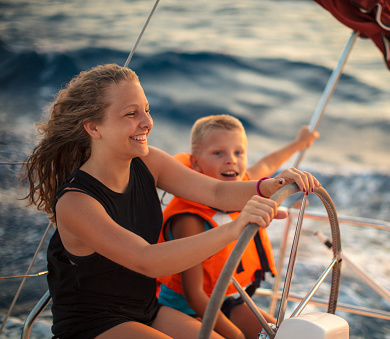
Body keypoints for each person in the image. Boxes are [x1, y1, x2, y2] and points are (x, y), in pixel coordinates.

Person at [20, 63, 320, 339]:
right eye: (131, 114)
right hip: (94, 323)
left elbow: (216, 193)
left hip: (145, 310)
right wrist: (235, 228)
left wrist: (271, 185)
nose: (147, 122)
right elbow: (147, 260)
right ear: (94, 128)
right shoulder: (75, 203)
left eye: (146, 110)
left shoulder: (149, 162)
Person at [157, 114, 319, 339]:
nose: (231, 160)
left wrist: (299, 143)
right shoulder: (189, 220)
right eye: (218, 153)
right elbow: (193, 294)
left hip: (225, 300)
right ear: (195, 163)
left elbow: (269, 163)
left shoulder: (243, 185)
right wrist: (234, 334)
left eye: (238, 152)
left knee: (286, 335)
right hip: (186, 310)